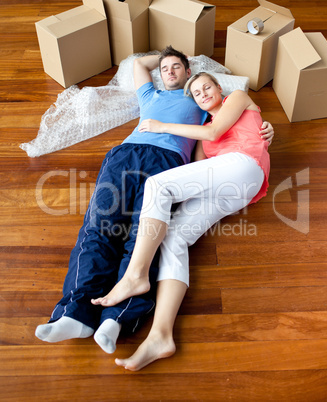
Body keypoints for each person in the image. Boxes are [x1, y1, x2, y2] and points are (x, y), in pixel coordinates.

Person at [35, 47, 274, 354]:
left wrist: (266, 128)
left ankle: (123, 306)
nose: (171, 72)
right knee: (142, 233)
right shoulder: (158, 100)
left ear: (203, 81)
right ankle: (109, 322)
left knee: (147, 221)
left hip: (203, 163)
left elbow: (220, 128)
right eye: (165, 68)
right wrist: (165, 54)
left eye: (180, 68)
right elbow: (139, 65)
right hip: (152, 162)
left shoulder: (216, 106)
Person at [91, 72, 271, 370]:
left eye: (206, 87)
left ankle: (135, 275)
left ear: (218, 88)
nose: (202, 94)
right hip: (233, 190)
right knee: (173, 236)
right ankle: (161, 335)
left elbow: (216, 136)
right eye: (196, 93)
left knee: (158, 186)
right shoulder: (204, 127)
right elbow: (199, 165)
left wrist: (161, 126)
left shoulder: (237, 98)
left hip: (245, 166)